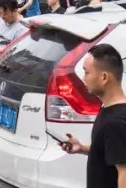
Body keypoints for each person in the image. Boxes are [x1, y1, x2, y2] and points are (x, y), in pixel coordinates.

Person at [59, 44, 126, 188]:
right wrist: (82, 148)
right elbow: (112, 150)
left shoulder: (115, 123)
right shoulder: (110, 110)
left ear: (104, 77)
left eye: (87, 72)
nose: (83, 78)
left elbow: (124, 175)